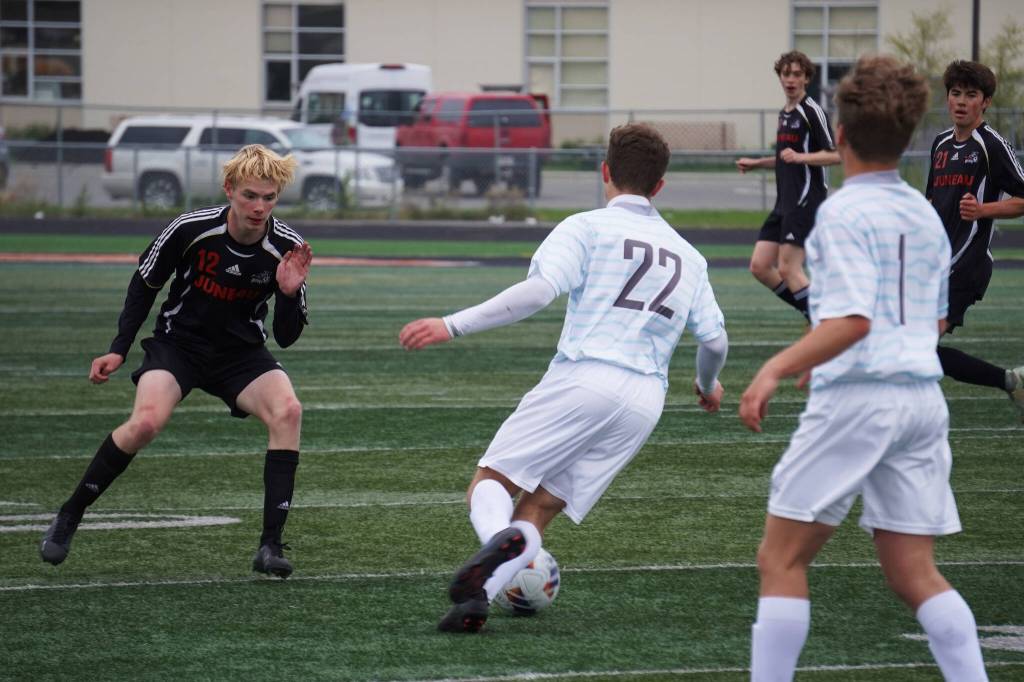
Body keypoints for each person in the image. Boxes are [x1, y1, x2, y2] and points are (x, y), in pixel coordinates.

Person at [399, 123, 729, 633]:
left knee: (491, 485)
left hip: (586, 377)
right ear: (660, 185)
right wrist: (708, 387)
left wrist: (452, 323)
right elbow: (715, 342)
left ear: (605, 173)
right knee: (539, 507)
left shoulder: (587, 227)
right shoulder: (691, 256)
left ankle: (498, 544)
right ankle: (477, 601)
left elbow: (538, 292)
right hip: (644, 402)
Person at [739, 55, 988, 681]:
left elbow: (851, 321)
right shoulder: (923, 217)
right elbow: (927, 324)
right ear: (908, 142)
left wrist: (774, 368)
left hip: (861, 398)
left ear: (840, 137)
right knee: (914, 572)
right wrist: (823, 357)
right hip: (922, 404)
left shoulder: (843, 212)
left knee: (782, 559)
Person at [39, 144, 313, 579]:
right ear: (229, 189)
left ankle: (270, 546)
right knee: (146, 423)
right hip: (178, 346)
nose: (259, 207)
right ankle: (70, 514)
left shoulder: (288, 247)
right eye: (249, 195)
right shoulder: (191, 228)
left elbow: (285, 337)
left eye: (269, 197)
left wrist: (287, 293)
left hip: (239, 354)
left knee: (289, 411)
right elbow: (145, 283)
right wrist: (118, 346)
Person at [926, 59, 1024, 421]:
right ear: (948, 98)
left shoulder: (991, 145)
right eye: (956, 93)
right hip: (935, 265)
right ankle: (1011, 381)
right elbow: (932, 203)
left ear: (985, 102)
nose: (962, 101)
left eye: (971, 95)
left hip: (967, 266)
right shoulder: (940, 144)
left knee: (916, 349)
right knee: (912, 348)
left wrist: (983, 210)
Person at [736, 50, 840, 321]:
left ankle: (824, 323)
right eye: (786, 74)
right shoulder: (785, 114)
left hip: (806, 200)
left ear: (806, 78)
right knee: (760, 266)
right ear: (780, 77)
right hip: (784, 203)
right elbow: (786, 159)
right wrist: (757, 163)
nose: (791, 79)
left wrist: (802, 157)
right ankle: (816, 315)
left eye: (797, 74)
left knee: (788, 269)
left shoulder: (812, 111)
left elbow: (835, 155)